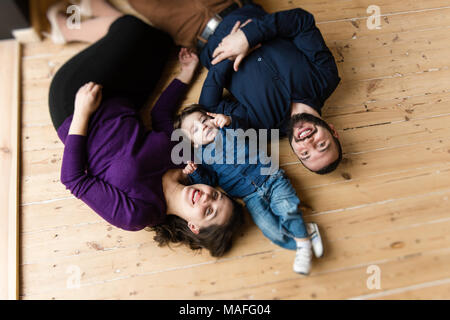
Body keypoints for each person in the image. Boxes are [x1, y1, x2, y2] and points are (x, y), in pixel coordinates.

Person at [47, 0, 244, 257]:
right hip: (121, 100)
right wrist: (186, 73)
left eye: (208, 212)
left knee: (131, 29)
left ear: (193, 227)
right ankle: (95, 17)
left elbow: (74, 180)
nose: (206, 199)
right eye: (216, 197)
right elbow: (160, 115)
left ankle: (67, 26)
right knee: (161, 43)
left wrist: (82, 111)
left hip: (75, 107)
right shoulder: (186, 163)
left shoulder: (138, 214)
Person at [128, 0, 342, 174]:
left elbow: (208, 105)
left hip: (191, 29)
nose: (308, 143)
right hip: (231, 4)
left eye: (305, 154)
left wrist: (228, 56)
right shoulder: (326, 77)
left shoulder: (261, 128)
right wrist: (247, 37)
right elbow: (301, 21)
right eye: (322, 145)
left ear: (296, 151)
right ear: (332, 132)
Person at [174, 105, 324, 274]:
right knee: (271, 231)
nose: (203, 127)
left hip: (272, 179)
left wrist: (229, 120)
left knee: (287, 209)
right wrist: (196, 173)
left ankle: (303, 244)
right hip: (249, 196)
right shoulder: (202, 158)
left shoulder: (228, 130)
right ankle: (306, 232)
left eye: (203, 120)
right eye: (195, 130)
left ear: (212, 118)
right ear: (193, 143)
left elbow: (245, 126)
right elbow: (209, 181)